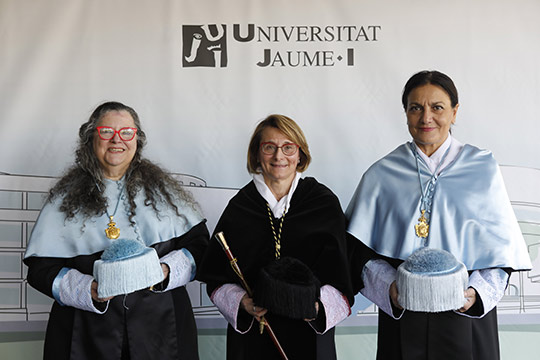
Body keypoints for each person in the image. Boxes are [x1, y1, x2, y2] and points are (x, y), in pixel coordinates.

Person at [346, 70, 532, 359]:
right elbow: (358, 250)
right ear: (405, 113)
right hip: (405, 313)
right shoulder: (382, 173)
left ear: (455, 112)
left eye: (437, 107)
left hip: (466, 313)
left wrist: (476, 294)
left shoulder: (482, 168)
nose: (426, 118)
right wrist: (391, 289)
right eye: (416, 108)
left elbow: (502, 251)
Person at [24, 101, 209, 360]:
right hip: (86, 333)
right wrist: (86, 290)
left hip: (162, 330)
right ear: (91, 138)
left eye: (126, 133)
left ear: (137, 140)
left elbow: (200, 249)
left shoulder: (166, 194)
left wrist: (164, 272)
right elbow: (40, 270)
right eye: (106, 132)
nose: (116, 140)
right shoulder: (63, 200)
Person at [199, 114, 354, 359]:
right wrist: (243, 303)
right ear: (257, 154)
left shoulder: (323, 203)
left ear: (300, 154)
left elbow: (342, 277)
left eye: (288, 147)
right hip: (254, 333)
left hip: (309, 330)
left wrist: (317, 308)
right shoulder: (241, 206)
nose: (279, 156)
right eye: (269, 147)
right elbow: (216, 277)